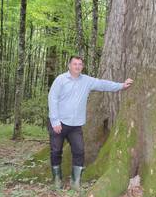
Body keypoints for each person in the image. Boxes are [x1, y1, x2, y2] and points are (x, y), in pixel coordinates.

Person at [48, 56, 133, 190]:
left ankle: (75, 182)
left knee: (79, 151)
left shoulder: (86, 80)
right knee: (56, 151)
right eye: (75, 64)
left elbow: (103, 84)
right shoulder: (60, 80)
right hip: (59, 122)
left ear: (82, 67)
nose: (77, 66)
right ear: (69, 66)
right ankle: (57, 179)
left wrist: (121, 86)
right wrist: (55, 121)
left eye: (80, 64)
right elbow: (52, 99)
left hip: (76, 125)